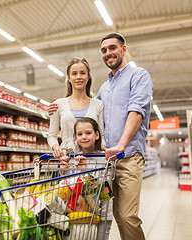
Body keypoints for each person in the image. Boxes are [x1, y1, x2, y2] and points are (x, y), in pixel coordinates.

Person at [49, 33, 153, 240]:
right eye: (104, 50)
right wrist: (56, 107)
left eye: (112, 48)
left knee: (127, 216)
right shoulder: (104, 90)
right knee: (102, 214)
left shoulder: (139, 76)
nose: (108, 53)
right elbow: (89, 120)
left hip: (127, 156)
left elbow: (137, 111)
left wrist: (120, 146)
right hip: (99, 162)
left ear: (124, 49)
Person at [60, 117, 113, 240]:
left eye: (88, 133)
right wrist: (64, 169)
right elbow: (69, 186)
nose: (84, 137)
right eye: (79, 134)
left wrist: (86, 171)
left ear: (97, 135)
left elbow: (103, 189)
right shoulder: (73, 157)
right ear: (75, 137)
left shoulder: (105, 158)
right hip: (78, 213)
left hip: (102, 213)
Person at [47, 57, 106, 159]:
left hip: (93, 159)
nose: (78, 77)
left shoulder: (98, 104)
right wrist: (56, 147)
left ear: (88, 77)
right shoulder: (59, 104)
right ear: (69, 78)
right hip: (67, 158)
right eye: (74, 73)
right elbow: (52, 135)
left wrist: (103, 150)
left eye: (82, 73)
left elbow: (101, 135)